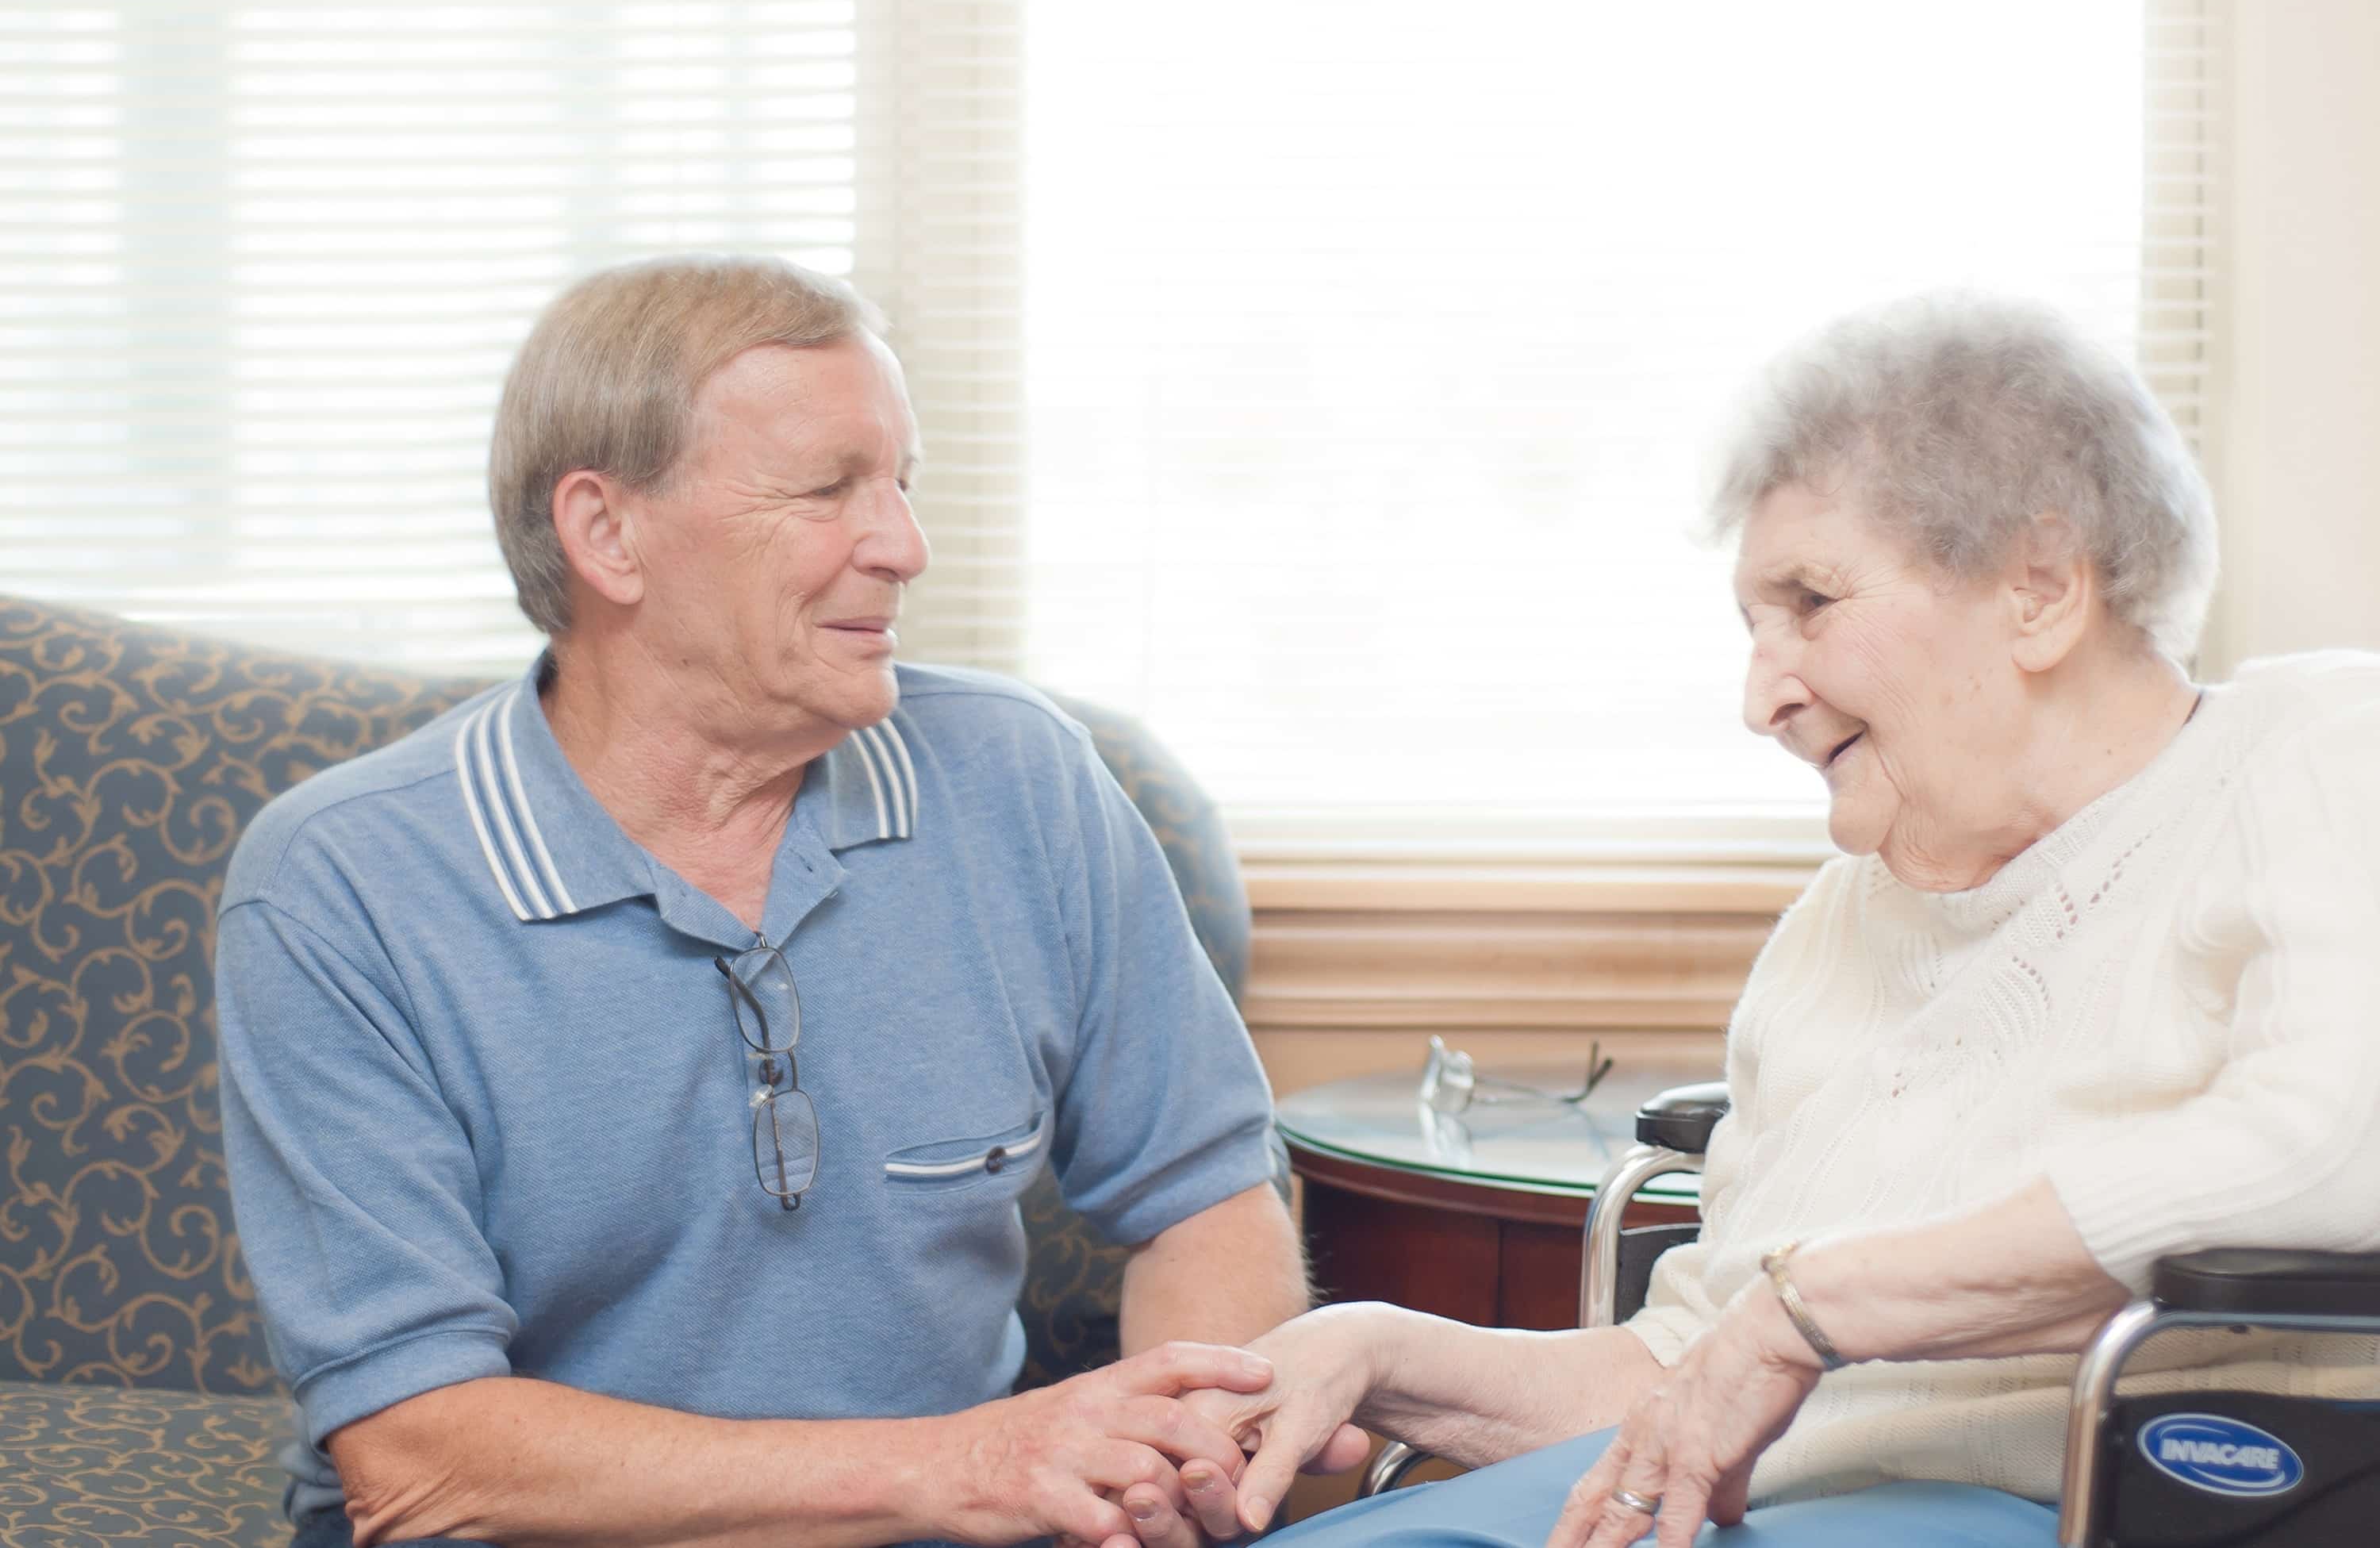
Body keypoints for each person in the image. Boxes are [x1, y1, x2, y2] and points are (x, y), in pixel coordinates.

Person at [1169, 294, 2380, 1548]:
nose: (1763, 696)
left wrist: (1817, 1307)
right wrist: (1375, 1347)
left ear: (2040, 588)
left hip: (2091, 1498)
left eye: (1810, 601)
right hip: (1751, 1497)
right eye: (1752, 624)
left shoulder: (2319, 754)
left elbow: (2331, 1151)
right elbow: (1688, 1369)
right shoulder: (1840, 923)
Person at [215, 255, 1361, 1548]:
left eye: (902, 486)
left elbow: (1199, 1194)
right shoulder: (342, 883)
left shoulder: (1017, 778)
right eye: (829, 491)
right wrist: (964, 1464)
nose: (905, 547)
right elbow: (418, 1451)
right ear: (607, 534)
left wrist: (1192, 1459)